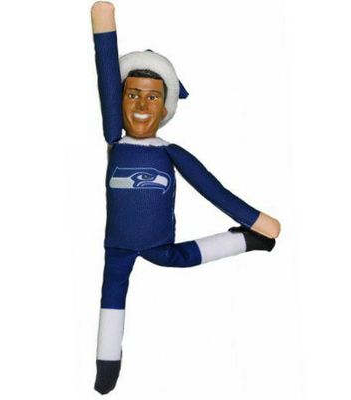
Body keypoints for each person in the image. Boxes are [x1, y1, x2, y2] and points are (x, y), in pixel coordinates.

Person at [91, 1, 281, 394]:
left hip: (159, 244)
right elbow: (105, 74)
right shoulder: (114, 140)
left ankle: (245, 241)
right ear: (119, 100)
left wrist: (256, 219)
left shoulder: (170, 153)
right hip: (118, 246)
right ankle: (107, 366)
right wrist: (103, 27)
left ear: (166, 107)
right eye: (132, 95)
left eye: (152, 97)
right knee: (111, 298)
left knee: (178, 259)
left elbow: (212, 189)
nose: (141, 105)